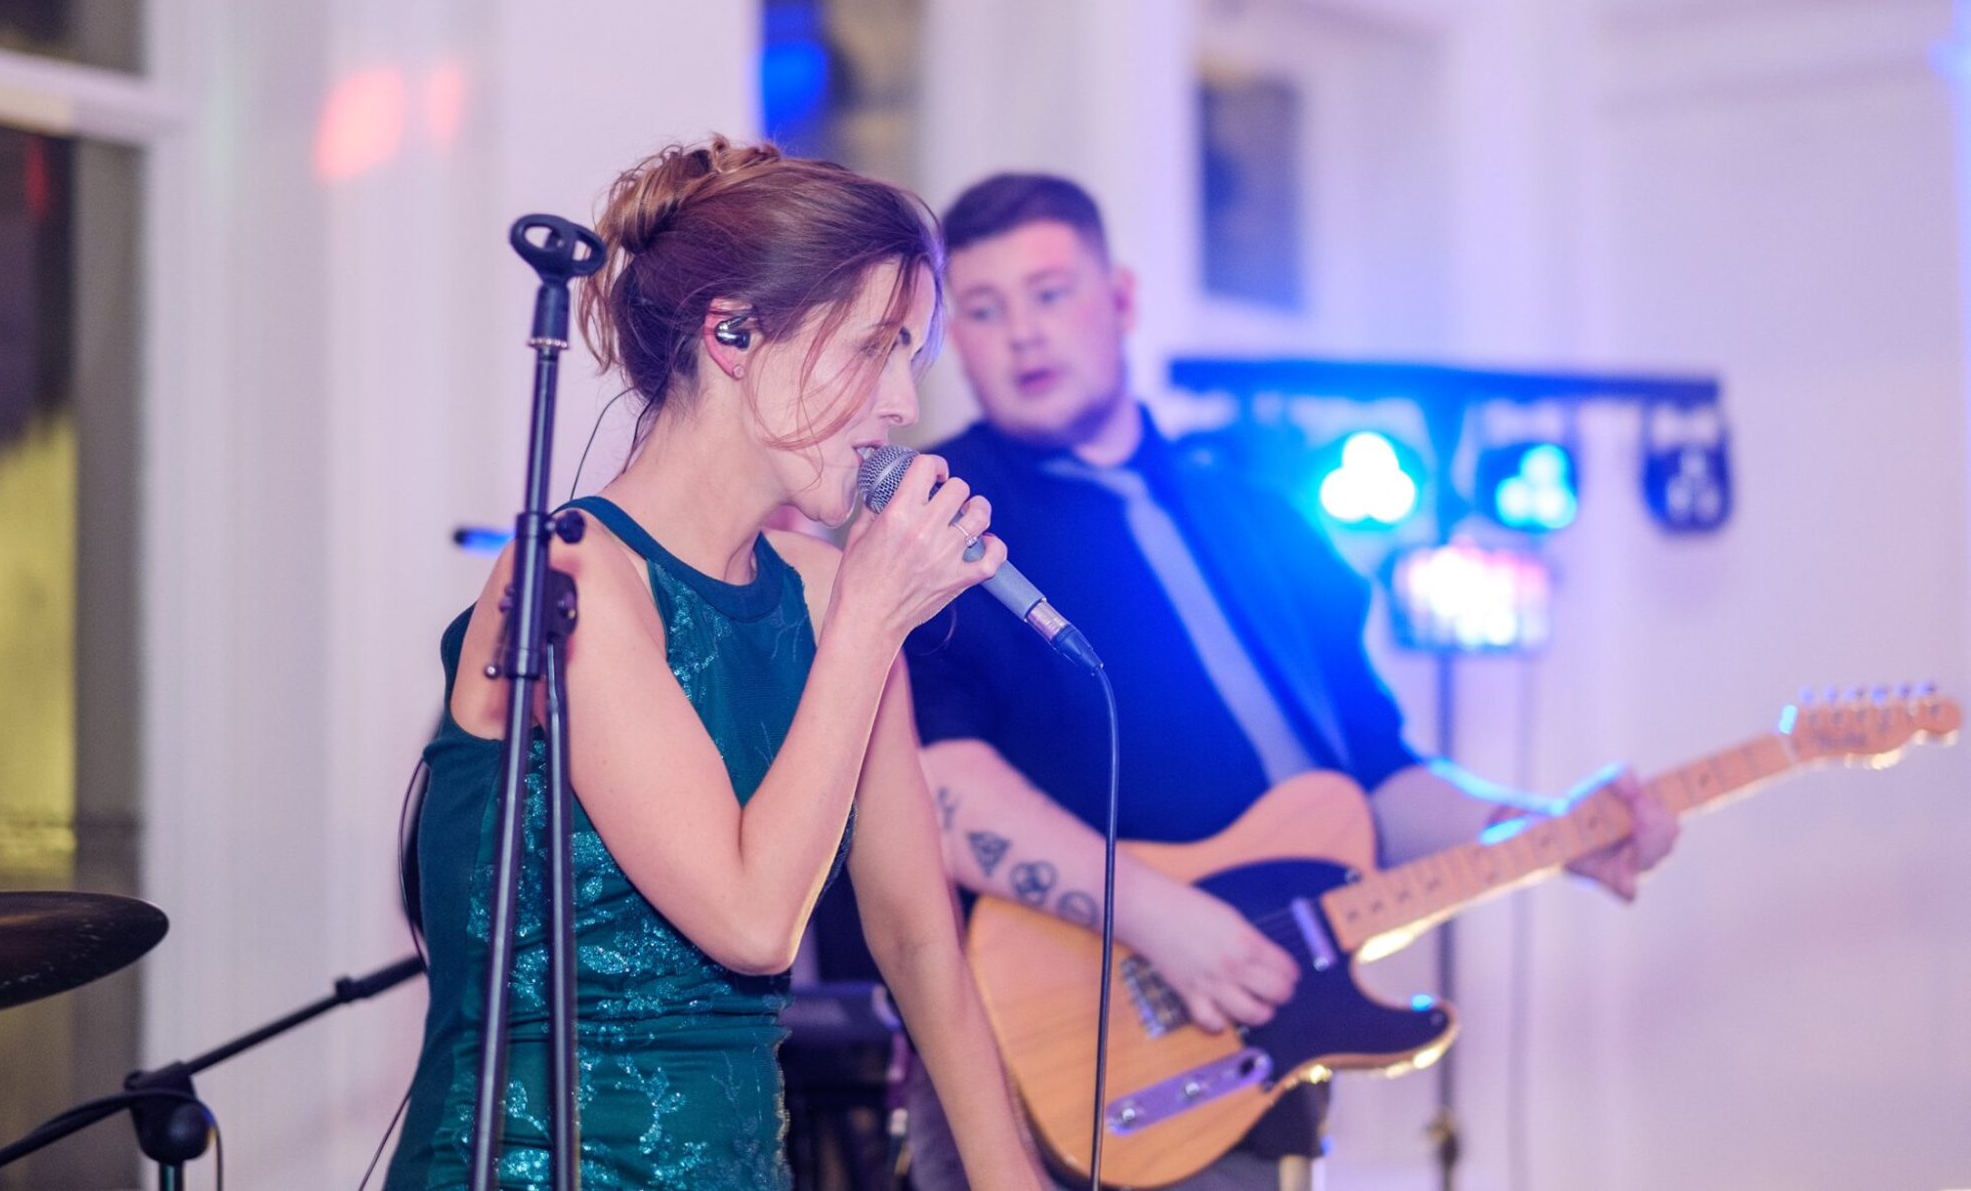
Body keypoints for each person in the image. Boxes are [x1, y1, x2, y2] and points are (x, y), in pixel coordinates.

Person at [896, 173, 1681, 1190]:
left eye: (1050, 293)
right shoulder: (940, 514)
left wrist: (1546, 829)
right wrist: (1161, 917)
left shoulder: (1257, 514)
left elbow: (1375, 778)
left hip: (1250, 1059)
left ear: (1121, 298)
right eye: (984, 309)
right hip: (1040, 1053)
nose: (1023, 335)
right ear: (953, 337)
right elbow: (932, 788)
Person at [384, 139, 1042, 1190]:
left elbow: (918, 940)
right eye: (873, 348)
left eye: (909, 360)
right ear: (732, 334)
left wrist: (1013, 1178)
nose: (900, 406)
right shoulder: (568, 578)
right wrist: (869, 622)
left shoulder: (828, 592)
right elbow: (750, 923)